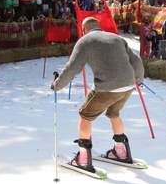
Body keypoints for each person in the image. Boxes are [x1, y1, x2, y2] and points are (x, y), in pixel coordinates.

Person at [50, 17, 144, 173]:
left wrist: (57, 85)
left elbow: (72, 68)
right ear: (98, 27)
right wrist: (138, 79)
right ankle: (121, 152)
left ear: (83, 29)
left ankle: (83, 159)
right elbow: (136, 61)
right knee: (114, 113)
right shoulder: (117, 38)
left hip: (107, 86)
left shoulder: (85, 42)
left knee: (84, 115)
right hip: (128, 85)